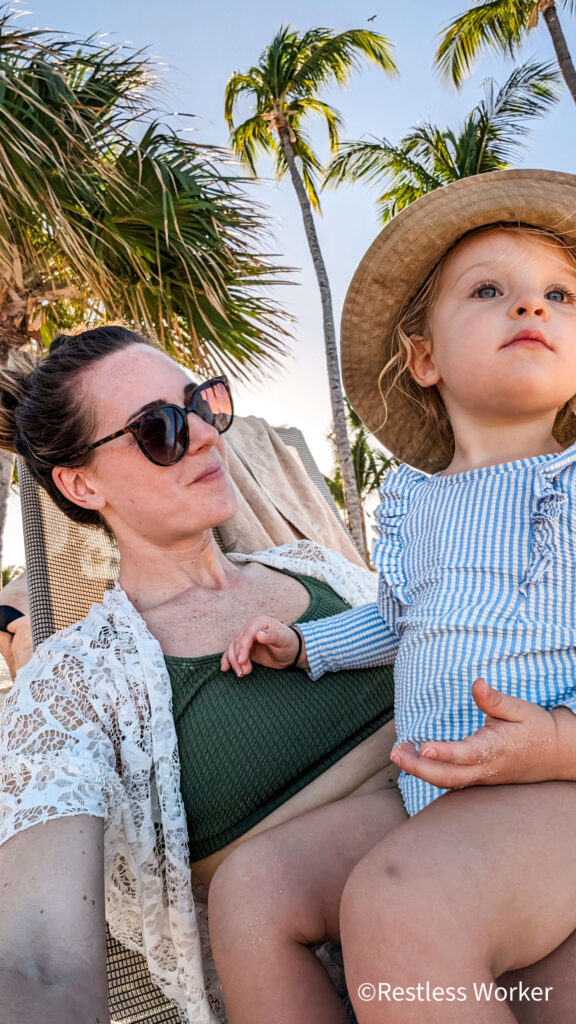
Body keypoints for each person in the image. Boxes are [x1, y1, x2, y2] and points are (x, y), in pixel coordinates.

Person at [215, 168, 576, 1024]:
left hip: (556, 784)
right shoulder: (412, 499)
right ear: (423, 359)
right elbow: (395, 620)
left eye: (561, 295)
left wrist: (559, 745)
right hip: (430, 792)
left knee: (401, 907)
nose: (533, 308)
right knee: (252, 890)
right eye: (491, 291)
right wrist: (307, 646)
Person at [0, 325, 401, 1024]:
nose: (208, 436)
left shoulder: (315, 568)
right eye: (160, 429)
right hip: (390, 936)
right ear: (81, 483)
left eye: (202, 404)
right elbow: (39, 961)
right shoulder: (75, 684)